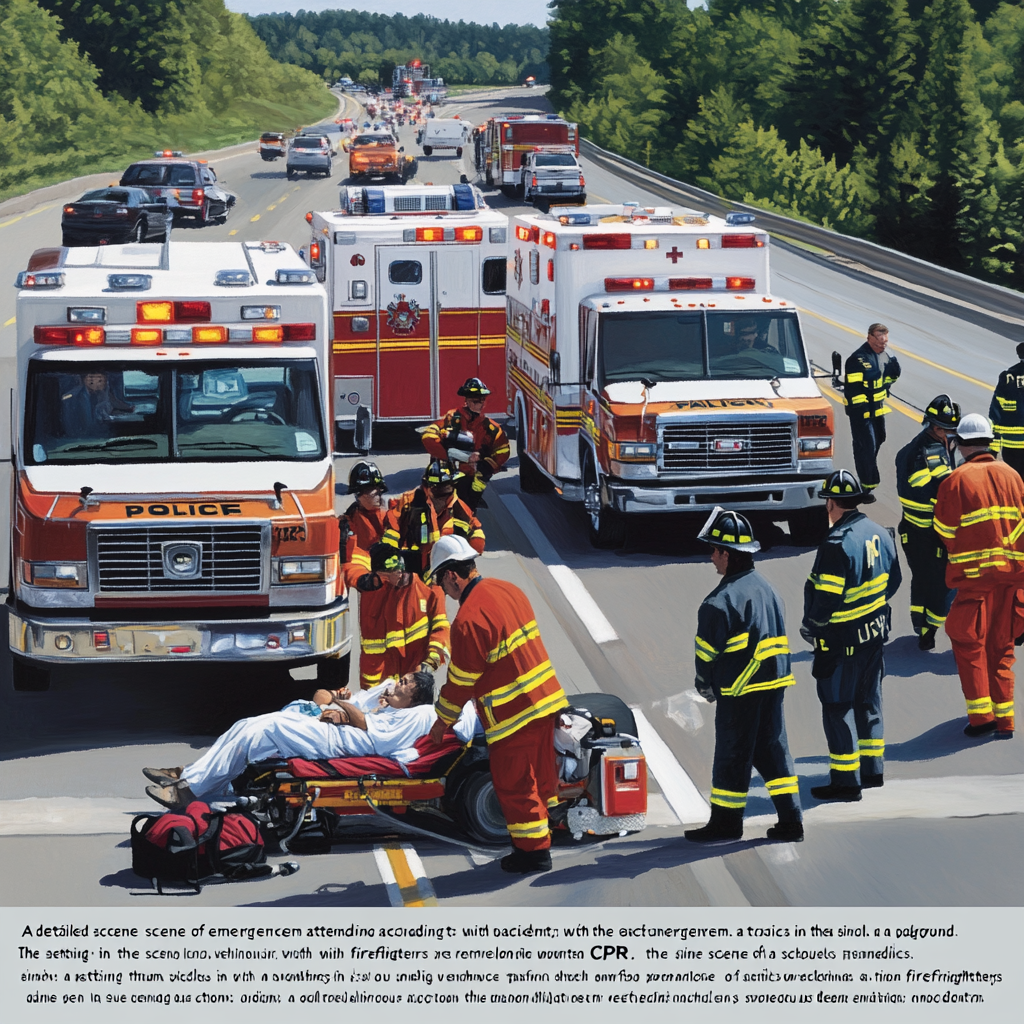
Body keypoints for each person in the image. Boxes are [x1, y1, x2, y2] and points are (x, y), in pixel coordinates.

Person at [425, 535, 569, 874]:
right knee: (542, 775)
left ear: (451, 576)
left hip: (513, 716)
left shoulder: (468, 620)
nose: (444, 593)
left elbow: (461, 683)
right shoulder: (510, 590)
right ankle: (552, 827)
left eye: (442, 584)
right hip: (545, 700)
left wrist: (441, 723)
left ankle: (533, 853)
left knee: (515, 785)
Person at [143, 672, 479, 807]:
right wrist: (344, 710)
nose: (397, 683)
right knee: (249, 724)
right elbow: (362, 718)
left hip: (341, 744)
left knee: (267, 729)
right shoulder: (392, 706)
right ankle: (190, 776)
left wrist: (339, 707)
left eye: (404, 683)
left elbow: (370, 734)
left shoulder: (417, 715)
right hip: (338, 731)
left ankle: (192, 791)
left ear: (415, 695)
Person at [685, 509, 803, 845]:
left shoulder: (717, 602)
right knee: (773, 752)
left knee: (731, 756)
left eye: (714, 551)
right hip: (775, 683)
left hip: (740, 690)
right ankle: (792, 820)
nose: (711, 558)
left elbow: (706, 657)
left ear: (727, 553)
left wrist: (705, 687)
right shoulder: (768, 589)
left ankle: (726, 824)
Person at [802, 469, 902, 801]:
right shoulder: (881, 532)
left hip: (841, 640)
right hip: (874, 634)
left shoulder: (835, 544)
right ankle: (873, 770)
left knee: (836, 708)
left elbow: (826, 598)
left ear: (831, 503)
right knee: (869, 701)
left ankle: (845, 781)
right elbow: (895, 581)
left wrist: (812, 627)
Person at [934, 413, 1024, 739]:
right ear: (989, 441)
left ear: (959, 444)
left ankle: (981, 718)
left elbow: (944, 530)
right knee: (1002, 650)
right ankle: (1006, 720)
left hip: (975, 580)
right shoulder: (1013, 476)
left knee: (969, 646)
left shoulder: (955, 480)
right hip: (1013, 578)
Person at [894, 394, 960, 650]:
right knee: (940, 583)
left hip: (914, 531)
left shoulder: (920, 447)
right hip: (926, 532)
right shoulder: (929, 453)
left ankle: (921, 626)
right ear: (935, 427)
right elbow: (939, 490)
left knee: (921, 579)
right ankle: (929, 629)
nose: (952, 435)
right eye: (949, 430)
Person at [354, 542, 450, 689]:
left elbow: (441, 630)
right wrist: (371, 693)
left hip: (417, 679)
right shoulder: (373, 598)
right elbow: (371, 655)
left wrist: (429, 664)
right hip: (388, 686)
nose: (379, 583)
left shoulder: (429, 592)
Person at [382, 459, 485, 579]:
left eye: (446, 491)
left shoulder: (458, 508)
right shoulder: (409, 501)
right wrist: (392, 557)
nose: (441, 499)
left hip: (441, 571)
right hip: (410, 567)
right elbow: (391, 529)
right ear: (427, 487)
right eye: (437, 492)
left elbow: (475, 529)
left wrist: (467, 557)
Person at [421, 377, 510, 511]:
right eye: (475, 400)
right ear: (466, 400)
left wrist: (486, 463)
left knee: (465, 514)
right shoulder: (451, 419)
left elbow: (503, 450)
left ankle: (472, 504)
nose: (479, 404)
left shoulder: (491, 429)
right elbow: (428, 437)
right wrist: (448, 456)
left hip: (471, 479)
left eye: (482, 400)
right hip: (445, 476)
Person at [843, 324, 901, 490]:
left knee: (879, 439)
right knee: (866, 445)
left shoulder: (884, 356)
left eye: (885, 343)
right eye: (878, 343)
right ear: (869, 338)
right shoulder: (858, 359)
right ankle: (866, 485)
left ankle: (866, 473)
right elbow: (853, 390)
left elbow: (888, 379)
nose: (882, 346)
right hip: (861, 413)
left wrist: (893, 365)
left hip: (877, 410)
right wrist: (862, 413)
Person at [340, 461, 389, 588]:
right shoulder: (346, 524)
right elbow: (351, 564)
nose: (378, 493)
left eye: (379, 488)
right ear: (358, 494)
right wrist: (363, 579)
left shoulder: (391, 515)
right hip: (370, 583)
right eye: (371, 489)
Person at [988, 343, 1024, 477]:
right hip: (1012, 446)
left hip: (1011, 446)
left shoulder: (1008, 377)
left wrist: (993, 449)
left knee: (1014, 485)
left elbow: (995, 414)